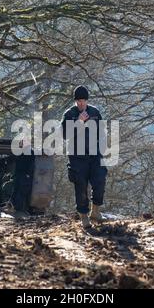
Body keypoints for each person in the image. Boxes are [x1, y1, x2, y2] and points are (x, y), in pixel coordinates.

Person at [61, 85, 107, 229]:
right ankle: (84, 217)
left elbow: (102, 131)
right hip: (77, 157)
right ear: (75, 101)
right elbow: (64, 135)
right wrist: (79, 122)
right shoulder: (69, 114)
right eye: (78, 101)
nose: (81, 103)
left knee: (100, 180)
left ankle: (95, 211)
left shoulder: (94, 112)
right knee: (80, 187)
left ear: (87, 100)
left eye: (83, 100)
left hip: (94, 154)